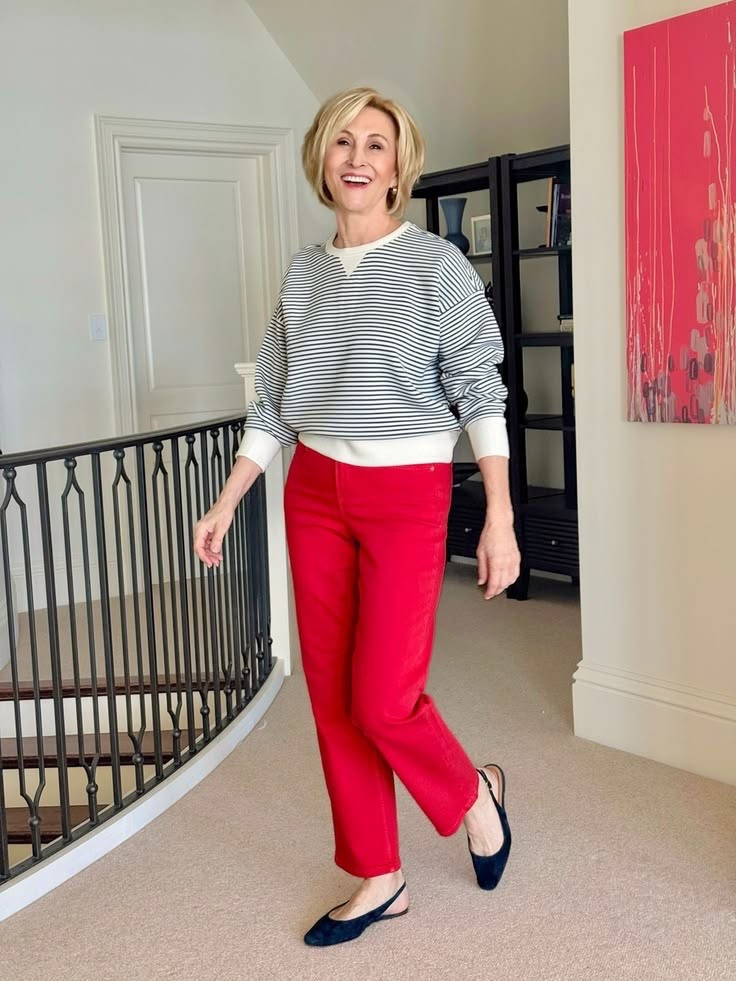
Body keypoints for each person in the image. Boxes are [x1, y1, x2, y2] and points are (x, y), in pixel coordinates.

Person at [193, 87, 521, 947]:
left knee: (384, 698)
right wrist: (230, 499)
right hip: (315, 491)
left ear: (397, 166)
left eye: (377, 143)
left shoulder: (437, 266)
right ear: (322, 158)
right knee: (334, 700)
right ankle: (380, 875)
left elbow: (482, 389)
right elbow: (273, 399)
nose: (359, 157)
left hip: (408, 494)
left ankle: (470, 794)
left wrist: (501, 516)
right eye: (344, 141)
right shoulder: (303, 274)